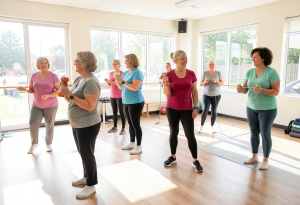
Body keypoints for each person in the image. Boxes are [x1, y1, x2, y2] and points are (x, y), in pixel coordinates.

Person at [60, 51, 101, 198]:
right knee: (83, 153)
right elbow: (70, 100)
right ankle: (85, 178)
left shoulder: (91, 82)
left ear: (84, 63)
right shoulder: (79, 79)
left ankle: (91, 185)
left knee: (87, 155)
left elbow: (90, 106)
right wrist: (65, 92)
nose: (74, 63)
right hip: (77, 123)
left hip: (88, 125)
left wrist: (70, 94)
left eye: (76, 61)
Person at [237, 47, 280, 170]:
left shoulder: (272, 72)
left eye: (255, 57)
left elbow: (276, 91)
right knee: (254, 132)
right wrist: (240, 90)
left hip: (267, 108)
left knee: (265, 133)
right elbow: (245, 90)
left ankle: (265, 159)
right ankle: (254, 156)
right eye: (253, 56)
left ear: (263, 58)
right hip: (251, 107)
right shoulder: (250, 72)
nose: (253, 59)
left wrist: (262, 90)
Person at [161, 50, 203, 172]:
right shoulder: (169, 74)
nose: (185, 61)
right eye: (182, 59)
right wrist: (166, 82)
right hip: (172, 107)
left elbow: (194, 91)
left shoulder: (191, 74)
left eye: (186, 58)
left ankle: (195, 160)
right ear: (175, 61)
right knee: (173, 132)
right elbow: (167, 94)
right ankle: (173, 156)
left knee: (190, 134)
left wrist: (195, 107)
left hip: (187, 108)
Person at [19, 57, 60, 154]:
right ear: (38, 65)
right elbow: (32, 90)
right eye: (42, 63)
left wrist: (49, 95)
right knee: (32, 123)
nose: (44, 65)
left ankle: (48, 143)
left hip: (51, 105)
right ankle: (34, 144)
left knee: (49, 125)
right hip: (36, 105)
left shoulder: (53, 76)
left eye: (46, 63)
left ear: (48, 64)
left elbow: (58, 90)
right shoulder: (34, 76)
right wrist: (24, 90)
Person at [114, 54, 144, 155]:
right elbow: (120, 86)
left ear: (131, 61)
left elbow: (135, 87)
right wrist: (117, 79)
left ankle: (139, 146)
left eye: (126, 60)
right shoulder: (127, 72)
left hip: (136, 102)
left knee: (136, 124)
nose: (124, 62)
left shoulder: (137, 73)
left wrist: (122, 81)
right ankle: (132, 143)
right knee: (130, 124)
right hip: (126, 101)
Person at [199, 59, 224, 134]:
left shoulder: (218, 73)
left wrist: (217, 81)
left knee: (213, 111)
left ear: (215, 65)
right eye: (210, 64)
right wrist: (204, 82)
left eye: (213, 64)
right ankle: (201, 126)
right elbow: (200, 84)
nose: (211, 65)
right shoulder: (205, 73)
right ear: (208, 65)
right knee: (205, 110)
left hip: (216, 95)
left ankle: (212, 127)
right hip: (206, 95)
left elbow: (222, 84)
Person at [104, 60, 126, 135]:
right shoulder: (111, 73)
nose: (114, 65)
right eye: (113, 64)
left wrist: (112, 82)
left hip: (120, 95)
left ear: (119, 65)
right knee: (114, 111)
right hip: (112, 95)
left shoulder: (122, 73)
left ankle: (123, 128)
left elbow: (121, 85)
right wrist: (107, 82)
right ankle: (115, 127)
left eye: (115, 64)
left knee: (121, 112)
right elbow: (110, 85)